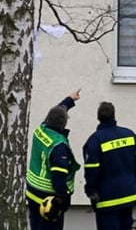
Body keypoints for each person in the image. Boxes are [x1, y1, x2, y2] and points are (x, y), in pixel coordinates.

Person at [82, 102, 136, 230]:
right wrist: (135, 181)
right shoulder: (130, 135)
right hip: (128, 194)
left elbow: (91, 169)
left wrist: (91, 190)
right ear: (114, 115)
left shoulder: (95, 140)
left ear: (98, 117)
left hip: (106, 199)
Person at [26, 89, 82, 230]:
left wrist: (69, 100)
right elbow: (58, 177)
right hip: (48, 200)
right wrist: (62, 201)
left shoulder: (41, 129)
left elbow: (56, 112)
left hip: (32, 192)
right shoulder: (58, 146)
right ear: (64, 124)